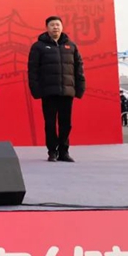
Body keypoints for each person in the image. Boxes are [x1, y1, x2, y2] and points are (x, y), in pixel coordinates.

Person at [28, 16, 85, 162]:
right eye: (52, 25)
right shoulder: (38, 46)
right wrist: (35, 89)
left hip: (67, 91)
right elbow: (33, 70)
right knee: (50, 123)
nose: (55, 27)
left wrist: (80, 88)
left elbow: (79, 68)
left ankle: (64, 151)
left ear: (62, 27)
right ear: (47, 28)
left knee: (66, 123)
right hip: (49, 92)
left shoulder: (71, 46)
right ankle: (52, 151)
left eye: (58, 25)